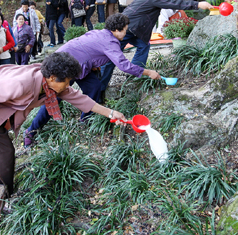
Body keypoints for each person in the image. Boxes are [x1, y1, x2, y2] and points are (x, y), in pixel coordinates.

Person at [0, 52, 128, 194]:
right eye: (67, 81)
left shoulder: (49, 83)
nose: (68, 85)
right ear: (53, 77)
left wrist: (112, 113)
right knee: (3, 151)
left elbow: (80, 99)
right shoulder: (22, 83)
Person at [24, 14, 161, 146]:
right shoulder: (110, 42)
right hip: (64, 66)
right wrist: (149, 72)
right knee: (53, 99)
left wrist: (94, 64)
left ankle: (85, 120)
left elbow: (86, 48)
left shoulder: (100, 33)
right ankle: (31, 132)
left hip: (80, 66)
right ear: (116, 30)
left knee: (94, 87)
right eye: (125, 30)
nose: (126, 33)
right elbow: (124, 65)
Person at [100, 0, 213, 94]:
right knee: (110, 60)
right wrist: (197, 4)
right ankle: (99, 90)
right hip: (127, 29)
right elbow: (174, 3)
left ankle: (134, 77)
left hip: (134, 29)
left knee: (144, 46)